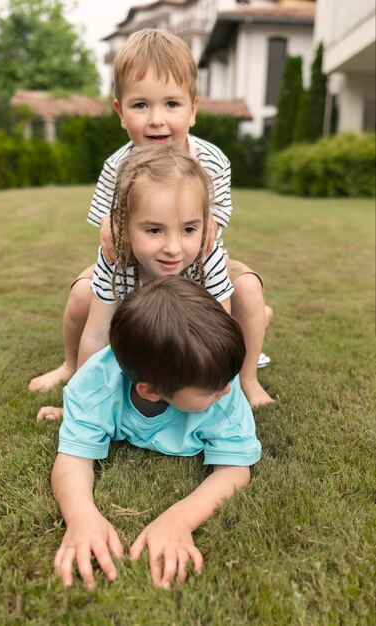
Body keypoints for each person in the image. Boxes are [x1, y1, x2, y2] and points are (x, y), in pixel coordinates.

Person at [29, 27, 274, 407]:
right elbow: (107, 220)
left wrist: (204, 229)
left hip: (199, 255)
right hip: (135, 254)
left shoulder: (211, 160)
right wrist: (111, 224)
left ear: (193, 109)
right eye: (141, 105)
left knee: (247, 291)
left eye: (171, 105)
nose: (157, 120)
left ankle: (248, 379)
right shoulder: (117, 165)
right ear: (120, 113)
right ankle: (71, 364)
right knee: (82, 294)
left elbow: (214, 221)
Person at [43, 275, 261, 589]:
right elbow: (74, 459)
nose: (226, 391)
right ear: (151, 391)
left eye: (227, 380)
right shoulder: (95, 387)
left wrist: (179, 519)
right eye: (211, 390)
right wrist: (80, 517)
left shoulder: (223, 392)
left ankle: (262, 313)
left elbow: (234, 469)